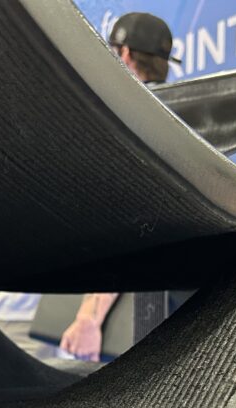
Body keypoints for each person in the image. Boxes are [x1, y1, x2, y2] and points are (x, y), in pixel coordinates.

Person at [60, 12, 178, 361]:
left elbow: (125, 220)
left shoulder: (132, 121)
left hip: (136, 319)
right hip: (181, 318)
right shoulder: (182, 119)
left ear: (124, 53)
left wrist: (88, 319)